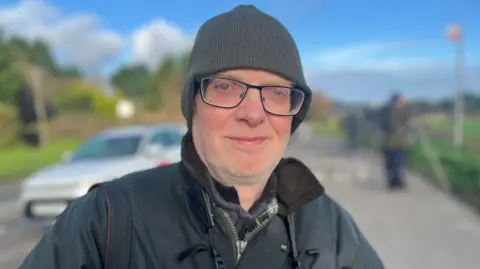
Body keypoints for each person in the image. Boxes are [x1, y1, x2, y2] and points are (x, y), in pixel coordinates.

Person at [20, 5, 384, 269]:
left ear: (295, 113)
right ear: (192, 104)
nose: (254, 114)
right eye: (226, 87)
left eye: (275, 92)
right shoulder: (105, 221)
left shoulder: (331, 228)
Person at [381, 93, 413, 189]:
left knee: (395, 163)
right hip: (396, 142)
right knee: (397, 163)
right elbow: (405, 117)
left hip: (394, 142)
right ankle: (396, 181)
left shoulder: (389, 110)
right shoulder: (395, 111)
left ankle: (395, 181)